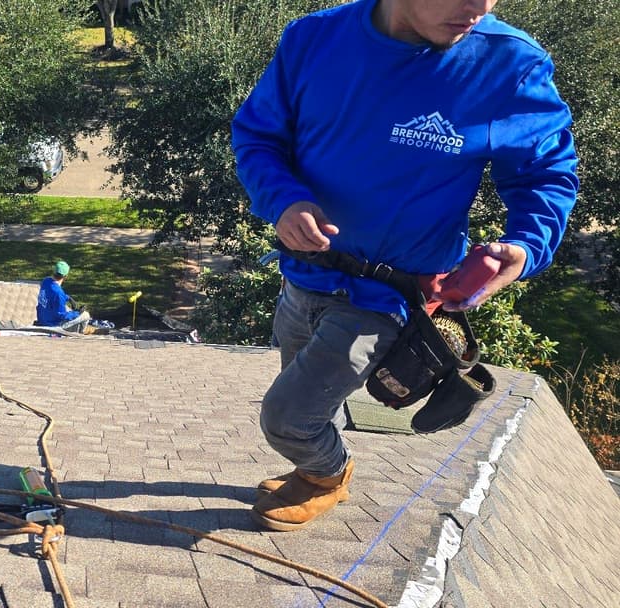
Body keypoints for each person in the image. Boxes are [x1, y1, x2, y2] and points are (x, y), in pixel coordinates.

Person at [232, 0, 578, 532]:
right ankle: (315, 462)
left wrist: (526, 246)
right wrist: (283, 201)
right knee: (306, 404)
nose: (476, 8)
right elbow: (260, 138)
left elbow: (545, 176)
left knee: (288, 417)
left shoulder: (509, 65)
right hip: (303, 276)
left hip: (389, 297)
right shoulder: (314, 39)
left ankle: (328, 475)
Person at [35, 260, 91, 332]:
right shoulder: (58, 293)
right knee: (86, 315)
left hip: (42, 319)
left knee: (68, 310)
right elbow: (62, 316)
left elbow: (52, 295)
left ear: (54, 271)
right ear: (65, 276)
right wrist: (78, 313)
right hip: (53, 325)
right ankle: (80, 332)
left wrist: (68, 298)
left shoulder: (46, 281)